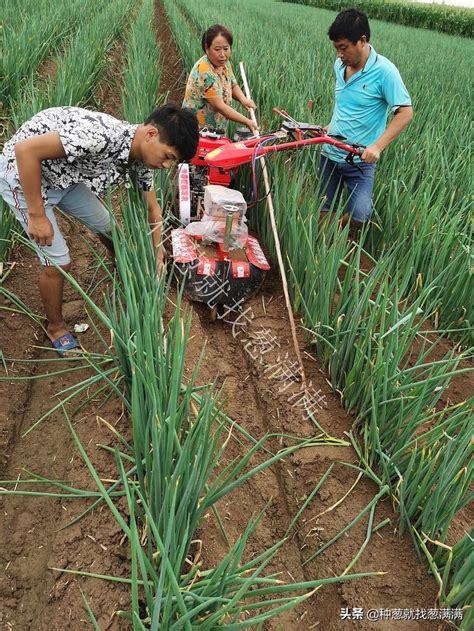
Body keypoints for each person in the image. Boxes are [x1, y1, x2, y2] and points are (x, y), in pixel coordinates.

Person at [0, 103, 199, 355]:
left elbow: (153, 210)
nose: (167, 165)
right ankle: (56, 327)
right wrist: (37, 215)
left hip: (65, 177)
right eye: (169, 156)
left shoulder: (140, 160)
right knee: (58, 262)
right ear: (151, 134)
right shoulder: (99, 137)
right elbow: (25, 150)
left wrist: (157, 256)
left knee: (109, 229)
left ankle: (121, 267)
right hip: (22, 175)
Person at [319, 8, 413, 226]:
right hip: (329, 151)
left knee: (359, 215)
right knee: (325, 207)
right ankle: (323, 247)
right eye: (336, 48)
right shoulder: (340, 65)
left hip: (359, 159)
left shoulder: (385, 72)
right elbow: (345, 105)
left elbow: (405, 112)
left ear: (362, 41)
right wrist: (330, 126)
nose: (339, 55)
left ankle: (340, 235)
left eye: (343, 48)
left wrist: (377, 146)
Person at [183, 24, 258, 134]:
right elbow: (220, 106)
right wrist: (247, 121)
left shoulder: (225, 64)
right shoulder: (204, 71)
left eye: (226, 49)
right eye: (217, 49)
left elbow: (233, 84)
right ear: (207, 48)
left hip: (215, 127)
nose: (223, 54)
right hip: (198, 129)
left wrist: (243, 99)